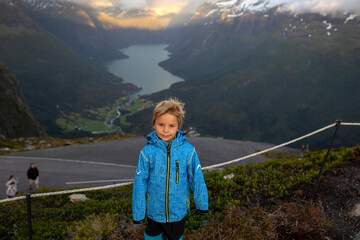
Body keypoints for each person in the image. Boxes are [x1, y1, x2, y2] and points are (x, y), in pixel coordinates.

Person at [132, 98, 209, 240]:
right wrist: (138, 214)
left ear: (178, 126)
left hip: (178, 212)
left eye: (171, 125)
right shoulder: (147, 153)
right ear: (154, 124)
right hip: (154, 212)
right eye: (161, 124)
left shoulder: (188, 151)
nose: (166, 130)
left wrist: (202, 204)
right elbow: (140, 184)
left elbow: (197, 179)